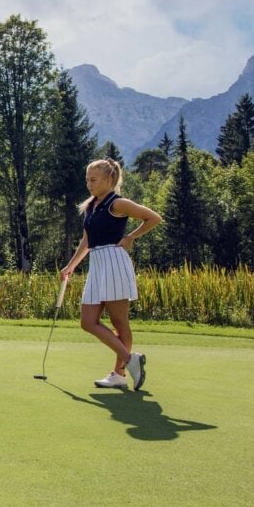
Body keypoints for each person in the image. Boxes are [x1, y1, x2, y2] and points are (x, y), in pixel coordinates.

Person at [60, 158, 162, 390]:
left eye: (94, 180)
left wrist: (130, 237)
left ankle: (119, 373)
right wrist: (71, 265)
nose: (89, 184)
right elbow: (87, 240)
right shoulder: (90, 206)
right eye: (87, 180)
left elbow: (153, 218)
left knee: (119, 322)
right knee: (88, 322)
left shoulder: (118, 203)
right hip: (97, 264)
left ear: (109, 179)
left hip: (114, 262)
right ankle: (130, 359)